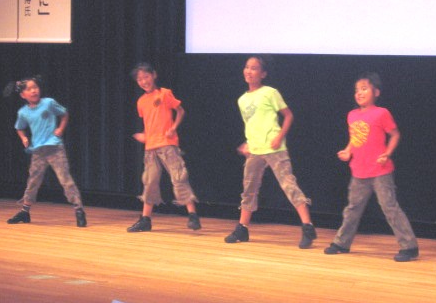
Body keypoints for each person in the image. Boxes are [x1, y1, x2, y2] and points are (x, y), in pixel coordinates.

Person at [324, 72, 419, 261]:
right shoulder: (352, 115)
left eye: (364, 89)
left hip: (379, 170)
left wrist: (387, 153)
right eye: (357, 90)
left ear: (376, 92)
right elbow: (355, 138)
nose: (359, 93)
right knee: (352, 208)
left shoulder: (381, 113)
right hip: (358, 170)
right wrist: (347, 151)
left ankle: (409, 246)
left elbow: (395, 134)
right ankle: (342, 243)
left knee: (389, 207)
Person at [224, 56, 317, 248]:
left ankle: (308, 226)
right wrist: (247, 143)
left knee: (289, 185)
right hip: (255, 150)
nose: (249, 71)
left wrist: (279, 137)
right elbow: (251, 124)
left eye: (254, 68)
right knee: (249, 190)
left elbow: (288, 115)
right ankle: (242, 228)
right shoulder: (242, 100)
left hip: (274, 148)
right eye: (247, 67)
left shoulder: (270, 93)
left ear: (263, 73)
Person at [126, 62, 201, 232]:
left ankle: (193, 215)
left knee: (179, 178)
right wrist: (144, 136)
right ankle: (145, 219)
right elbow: (149, 123)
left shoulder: (164, 93)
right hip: (151, 147)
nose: (144, 81)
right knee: (149, 182)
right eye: (139, 79)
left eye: (146, 77)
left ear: (154, 75)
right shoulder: (141, 101)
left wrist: (173, 127)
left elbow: (180, 111)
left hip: (167, 144)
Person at [4, 76, 87, 227]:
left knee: (65, 180)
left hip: (55, 148)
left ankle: (79, 209)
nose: (33, 91)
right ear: (23, 95)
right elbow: (19, 128)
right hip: (38, 151)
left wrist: (60, 128)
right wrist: (23, 138)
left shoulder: (48, 103)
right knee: (33, 181)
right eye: (29, 89)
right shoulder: (23, 112)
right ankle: (25, 211)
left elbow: (64, 113)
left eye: (35, 87)